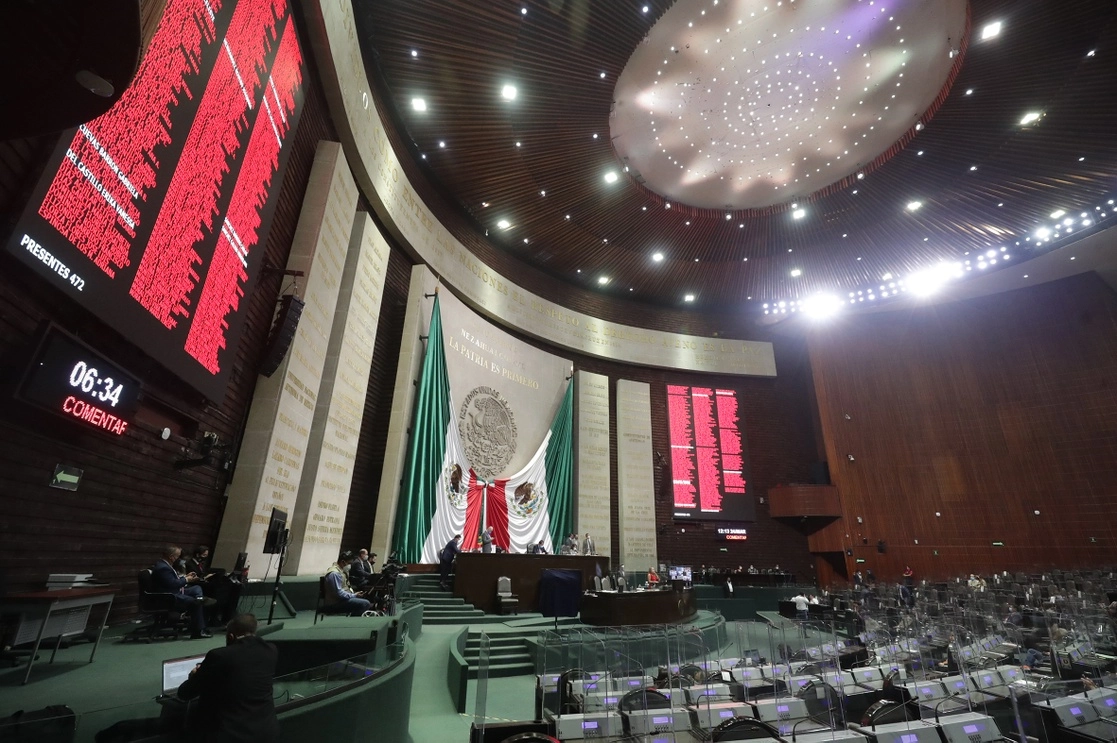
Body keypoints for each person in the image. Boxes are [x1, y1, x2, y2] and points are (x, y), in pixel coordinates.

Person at [178, 613, 279, 743]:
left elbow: (185, 693)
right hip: (267, 732)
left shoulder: (219, 656)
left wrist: (194, 676)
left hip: (231, 735)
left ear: (231, 636)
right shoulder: (271, 650)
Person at [152, 545, 211, 639]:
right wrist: (187, 580)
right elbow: (173, 584)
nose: (179, 559)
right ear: (171, 557)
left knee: (197, 588)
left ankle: (199, 599)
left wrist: (185, 577)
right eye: (178, 556)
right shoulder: (163, 568)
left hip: (174, 591)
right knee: (196, 603)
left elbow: (172, 581)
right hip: (169, 596)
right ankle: (198, 631)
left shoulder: (165, 565)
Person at [323, 550, 370, 616]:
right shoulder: (334, 574)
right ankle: (352, 621)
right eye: (349, 563)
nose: (350, 566)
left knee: (364, 600)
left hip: (341, 599)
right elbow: (338, 593)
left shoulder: (342, 571)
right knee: (365, 604)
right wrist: (354, 595)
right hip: (335, 603)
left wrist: (354, 594)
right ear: (343, 562)